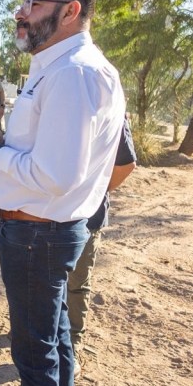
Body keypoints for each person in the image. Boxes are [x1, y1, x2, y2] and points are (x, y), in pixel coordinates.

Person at [0, 0, 126, 386]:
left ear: (70, 11)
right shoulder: (57, 68)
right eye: (24, 3)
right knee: (54, 344)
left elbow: (55, 175)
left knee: (36, 357)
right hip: (41, 230)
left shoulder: (73, 74)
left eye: (33, 4)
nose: (21, 12)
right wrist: (6, 144)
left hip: (40, 233)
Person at [67, 118, 136, 371]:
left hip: (87, 217)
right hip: (47, 214)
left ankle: (72, 343)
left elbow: (126, 164)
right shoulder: (55, 97)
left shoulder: (111, 106)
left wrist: (94, 192)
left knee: (76, 283)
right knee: (43, 279)